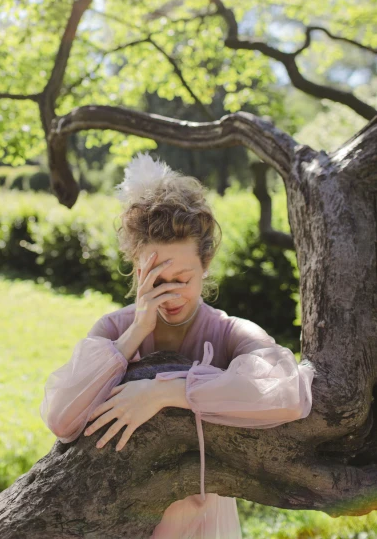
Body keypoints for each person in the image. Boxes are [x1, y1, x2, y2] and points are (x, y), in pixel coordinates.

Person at [39, 152, 316, 538]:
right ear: (138, 271)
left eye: (182, 279)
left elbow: (288, 395)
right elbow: (61, 417)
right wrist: (134, 334)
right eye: (157, 280)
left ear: (205, 267)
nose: (170, 294)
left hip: (202, 523)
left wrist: (165, 391)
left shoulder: (229, 332)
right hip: (122, 520)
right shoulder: (113, 330)